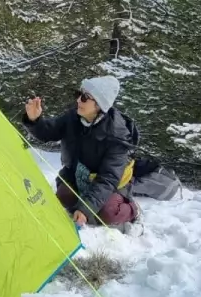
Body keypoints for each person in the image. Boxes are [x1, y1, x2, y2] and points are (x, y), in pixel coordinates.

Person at [22, 75, 141, 229]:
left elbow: (109, 178)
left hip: (110, 183)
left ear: (99, 105)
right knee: (64, 197)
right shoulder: (74, 116)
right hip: (77, 175)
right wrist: (35, 120)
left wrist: (86, 208)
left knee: (107, 213)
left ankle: (133, 210)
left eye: (85, 97)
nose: (78, 100)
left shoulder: (117, 135)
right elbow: (49, 132)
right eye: (78, 94)